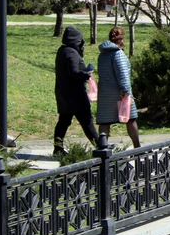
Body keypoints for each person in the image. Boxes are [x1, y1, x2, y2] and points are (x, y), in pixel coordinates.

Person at [53, 26, 99, 156]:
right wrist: (86, 74)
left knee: (63, 121)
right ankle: (100, 146)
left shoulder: (62, 51)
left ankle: (57, 148)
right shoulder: (71, 53)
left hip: (64, 93)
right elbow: (73, 72)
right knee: (87, 121)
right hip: (75, 95)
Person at [97, 27, 140, 148]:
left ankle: (102, 147)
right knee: (131, 119)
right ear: (121, 38)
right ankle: (137, 146)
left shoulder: (103, 54)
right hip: (119, 93)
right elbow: (123, 75)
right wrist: (126, 92)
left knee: (105, 121)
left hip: (105, 93)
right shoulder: (118, 54)